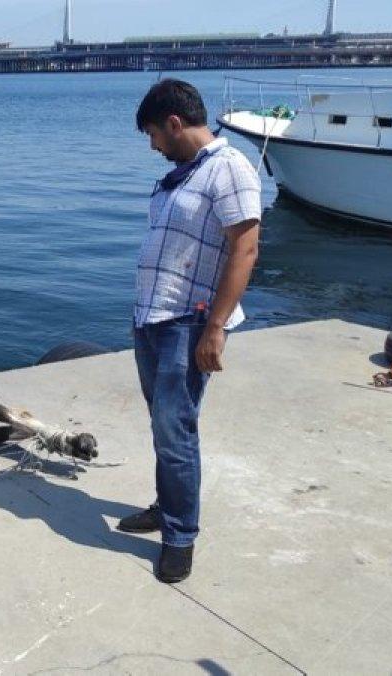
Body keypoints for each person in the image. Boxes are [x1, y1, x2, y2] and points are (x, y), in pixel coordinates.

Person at [119, 79, 261, 583]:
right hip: (152, 318)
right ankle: (166, 506)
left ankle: (180, 536)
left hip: (190, 321)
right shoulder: (182, 173)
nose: (153, 145)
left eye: (154, 135)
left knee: (176, 431)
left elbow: (245, 249)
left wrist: (215, 327)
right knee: (163, 426)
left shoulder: (230, 169)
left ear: (175, 124)